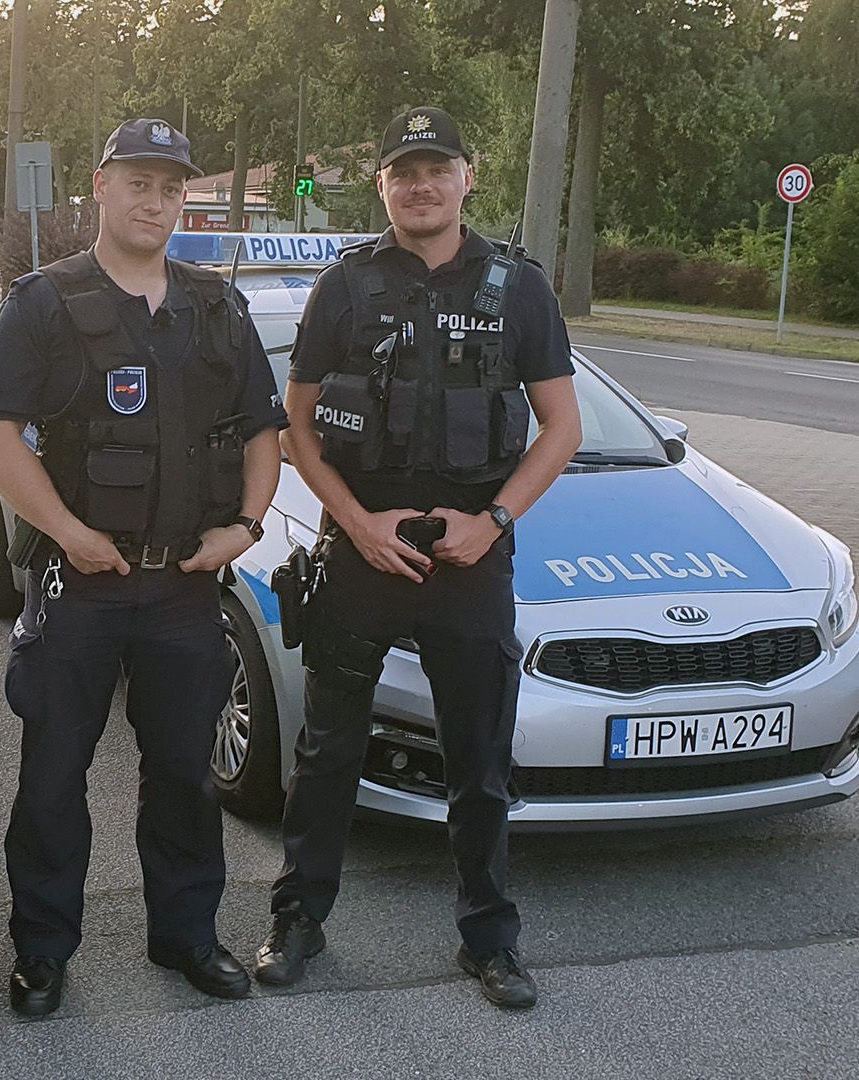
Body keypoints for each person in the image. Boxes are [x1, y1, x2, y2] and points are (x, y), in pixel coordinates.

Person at [253, 106, 583, 1010]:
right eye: (404, 172)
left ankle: (490, 939)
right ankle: (297, 919)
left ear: (468, 178)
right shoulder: (345, 287)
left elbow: (561, 426)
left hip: (470, 558)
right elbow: (297, 428)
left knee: (479, 759)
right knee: (327, 750)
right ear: (383, 186)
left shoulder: (519, 288)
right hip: (363, 555)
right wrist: (358, 524)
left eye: (438, 169)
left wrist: (495, 521)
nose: (421, 186)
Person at [0, 118, 288, 1017]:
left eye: (171, 188)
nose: (156, 202)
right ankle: (42, 950)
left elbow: (263, 432)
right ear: (101, 187)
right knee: (54, 773)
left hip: (184, 585)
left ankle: (186, 935)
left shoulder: (216, 308)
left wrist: (247, 528)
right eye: (139, 183)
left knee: (185, 773)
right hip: (82, 586)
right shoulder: (44, 303)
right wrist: (67, 532)